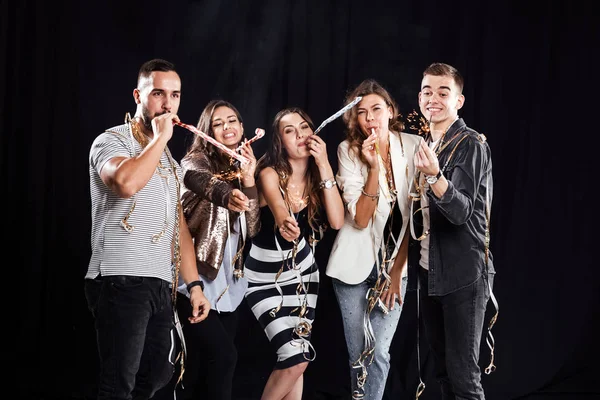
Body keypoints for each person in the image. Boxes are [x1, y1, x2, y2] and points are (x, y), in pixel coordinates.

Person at [84, 58, 210, 400]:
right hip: (120, 277)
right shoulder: (111, 141)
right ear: (138, 96)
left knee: (159, 371)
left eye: (175, 95)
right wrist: (159, 140)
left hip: (159, 283)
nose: (168, 104)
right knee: (118, 384)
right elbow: (124, 183)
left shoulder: (168, 159)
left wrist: (194, 285)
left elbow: (178, 225)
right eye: (158, 94)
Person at [325, 79, 421, 400]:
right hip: (353, 266)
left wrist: (395, 272)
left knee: (379, 352)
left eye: (376, 109)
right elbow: (362, 218)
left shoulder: (414, 145)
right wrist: (373, 168)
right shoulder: (348, 151)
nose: (369, 118)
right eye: (361, 112)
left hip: (397, 267)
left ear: (390, 111)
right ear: (354, 119)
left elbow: (416, 215)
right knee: (360, 357)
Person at [244, 107, 345, 400]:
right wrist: (285, 222)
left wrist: (324, 163)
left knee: (297, 361)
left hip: (303, 278)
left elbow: (337, 221)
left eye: (304, 127)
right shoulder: (268, 172)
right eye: (290, 131)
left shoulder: (317, 178)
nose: (300, 135)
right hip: (264, 279)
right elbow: (278, 209)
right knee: (295, 358)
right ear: (279, 141)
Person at [411, 62, 496, 399]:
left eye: (443, 92)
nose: (434, 98)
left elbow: (460, 212)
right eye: (428, 91)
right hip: (430, 271)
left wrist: (435, 176)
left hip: (463, 274)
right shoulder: (426, 144)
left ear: (458, 100)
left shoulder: (471, 143)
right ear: (419, 97)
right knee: (443, 370)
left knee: (464, 377)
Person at [172, 99, 261, 400]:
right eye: (218, 123)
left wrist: (249, 179)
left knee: (209, 365)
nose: (227, 127)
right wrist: (227, 194)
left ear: (242, 127)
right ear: (207, 130)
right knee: (222, 358)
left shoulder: (241, 168)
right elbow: (201, 181)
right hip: (195, 277)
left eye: (232, 120)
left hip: (230, 282)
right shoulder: (195, 160)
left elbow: (254, 226)